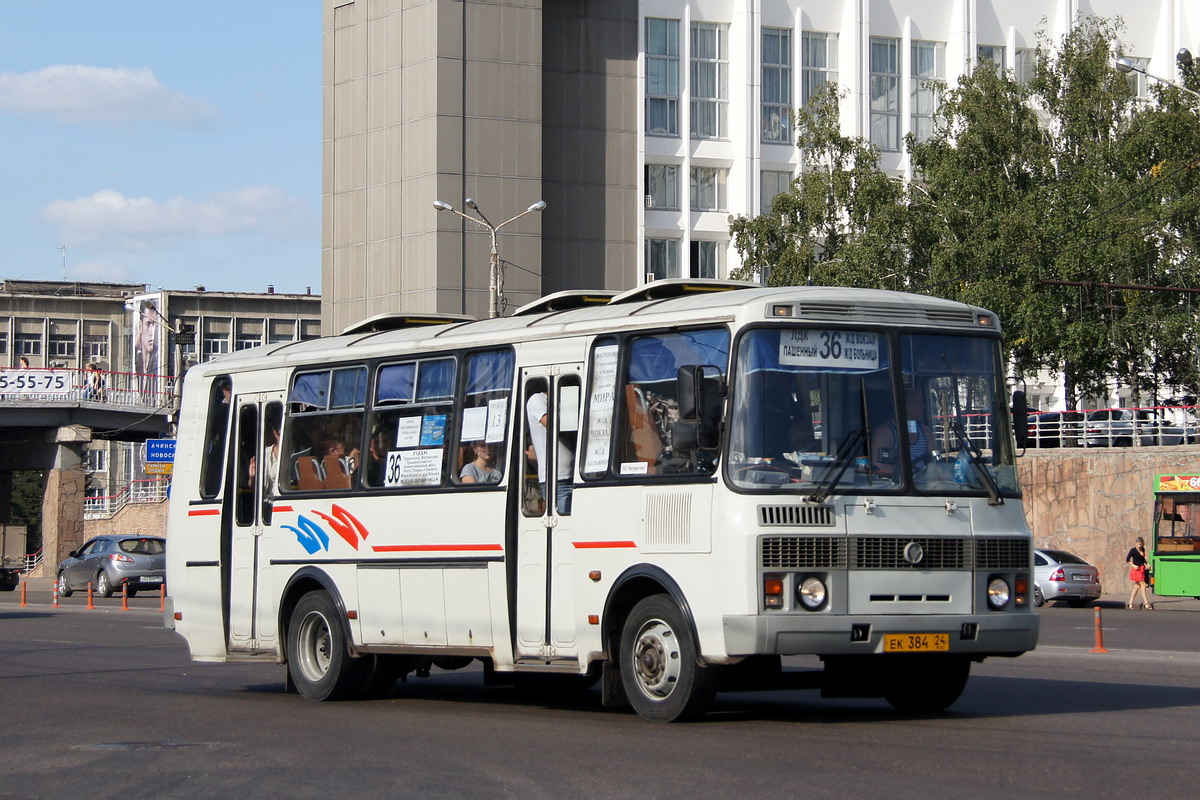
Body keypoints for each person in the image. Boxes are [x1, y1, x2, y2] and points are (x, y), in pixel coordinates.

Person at [526, 390, 574, 514]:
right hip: (557, 479)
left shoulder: (564, 403)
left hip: (574, 475)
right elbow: (554, 426)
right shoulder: (538, 400)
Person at [871, 388, 935, 478]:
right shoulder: (884, 433)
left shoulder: (926, 432)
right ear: (904, 405)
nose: (923, 406)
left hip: (922, 486)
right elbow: (879, 468)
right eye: (918, 403)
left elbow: (935, 463)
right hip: (896, 487)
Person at [1126, 536, 1153, 609]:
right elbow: (1127, 559)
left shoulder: (1143, 549)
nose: (1139, 546)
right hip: (1136, 570)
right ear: (1135, 544)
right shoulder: (1133, 550)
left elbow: (1142, 559)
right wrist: (1133, 565)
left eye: (1140, 544)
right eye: (1138, 544)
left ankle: (1130, 602)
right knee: (1143, 585)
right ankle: (1146, 603)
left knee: (1137, 586)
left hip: (1141, 568)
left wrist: (1147, 563)